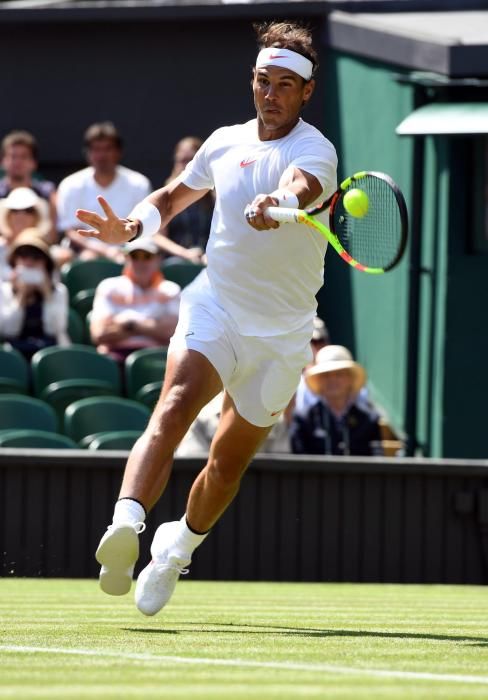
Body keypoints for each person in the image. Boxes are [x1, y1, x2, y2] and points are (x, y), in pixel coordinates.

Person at [76, 21, 337, 616]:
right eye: (263, 81)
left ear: (306, 92)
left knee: (225, 465)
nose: (270, 94)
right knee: (173, 405)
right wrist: (131, 228)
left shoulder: (315, 150)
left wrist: (282, 202)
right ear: (252, 81)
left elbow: (304, 183)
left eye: (284, 85)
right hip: (216, 304)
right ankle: (126, 524)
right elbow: (170, 199)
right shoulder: (223, 142)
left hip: (282, 336)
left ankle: (176, 549)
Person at [57, 121, 151, 262]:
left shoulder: (139, 184)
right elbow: (71, 231)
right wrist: (105, 251)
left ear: (118, 152)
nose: (102, 155)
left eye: (107, 149)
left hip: (132, 254)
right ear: (88, 153)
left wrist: (125, 251)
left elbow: (145, 228)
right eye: (96, 149)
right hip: (85, 253)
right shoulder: (71, 185)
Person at [89, 238, 180, 365]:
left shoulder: (171, 289)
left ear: (158, 259)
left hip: (157, 359)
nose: (140, 262)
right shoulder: (108, 286)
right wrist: (154, 326)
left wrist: (129, 325)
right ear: (126, 258)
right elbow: (99, 334)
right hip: (115, 357)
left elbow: (171, 333)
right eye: (134, 256)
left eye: (147, 256)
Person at [289, 345, 382, 456]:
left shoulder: (368, 419)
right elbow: (299, 463)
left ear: (350, 378)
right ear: (319, 381)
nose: (332, 380)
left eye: (339, 374)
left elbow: (376, 461)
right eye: (326, 375)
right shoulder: (304, 418)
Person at [0, 230, 70, 359]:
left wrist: (47, 294)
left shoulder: (59, 291)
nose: (29, 262)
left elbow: (54, 329)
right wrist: (21, 296)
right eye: (23, 256)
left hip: (52, 353)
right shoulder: (4, 290)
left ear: (46, 263)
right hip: (15, 354)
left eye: (36, 257)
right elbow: (9, 331)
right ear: (14, 260)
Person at [153, 136, 214, 264]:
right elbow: (157, 236)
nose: (186, 166)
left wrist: (210, 256)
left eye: (191, 161)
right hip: (174, 265)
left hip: (209, 264)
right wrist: (184, 253)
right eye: (182, 161)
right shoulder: (166, 196)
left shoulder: (215, 197)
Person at [0, 130, 57, 241]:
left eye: (24, 157)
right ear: (2, 161)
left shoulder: (48, 193)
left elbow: (52, 236)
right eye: (13, 156)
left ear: (34, 162)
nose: (18, 162)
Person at [0, 187, 52, 280]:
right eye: (14, 210)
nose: (21, 215)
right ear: (7, 216)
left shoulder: (45, 249)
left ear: (37, 217)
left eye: (28, 210)